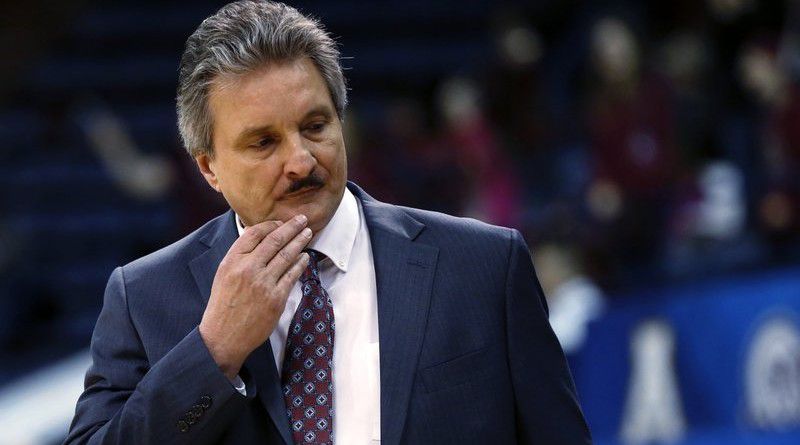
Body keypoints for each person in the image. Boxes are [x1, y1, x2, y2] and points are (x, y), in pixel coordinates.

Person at [65, 1, 591, 444]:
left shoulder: (484, 267)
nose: (300, 161)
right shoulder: (144, 298)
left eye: (315, 126)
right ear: (209, 168)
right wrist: (214, 352)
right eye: (263, 142)